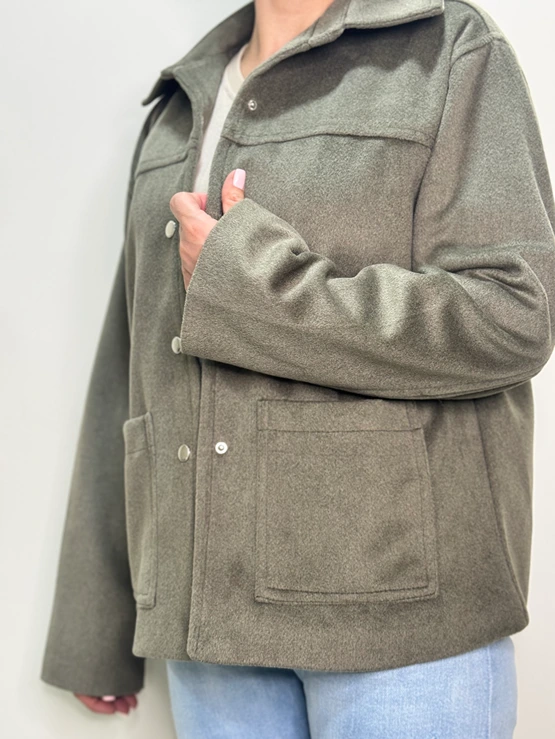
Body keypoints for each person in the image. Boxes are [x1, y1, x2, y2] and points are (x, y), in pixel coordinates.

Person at [40, 0, 555, 736]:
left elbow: (513, 315)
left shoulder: (447, 49)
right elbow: (133, 364)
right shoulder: (182, 99)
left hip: (399, 631)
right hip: (209, 632)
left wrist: (256, 287)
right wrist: (94, 625)